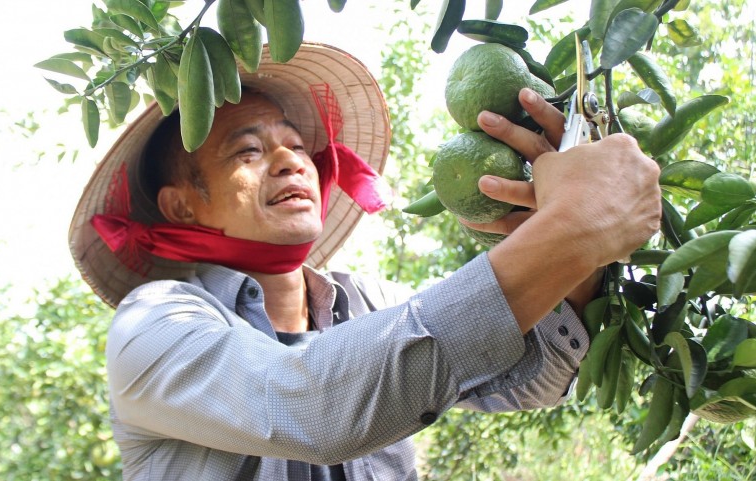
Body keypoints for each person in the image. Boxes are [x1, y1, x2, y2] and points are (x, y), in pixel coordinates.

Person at [69, 43, 661, 480]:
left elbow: (530, 378)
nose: (290, 160)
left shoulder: (369, 302)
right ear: (181, 206)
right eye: (248, 151)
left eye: (298, 145)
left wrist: (576, 253)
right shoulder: (154, 325)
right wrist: (572, 228)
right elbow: (310, 403)